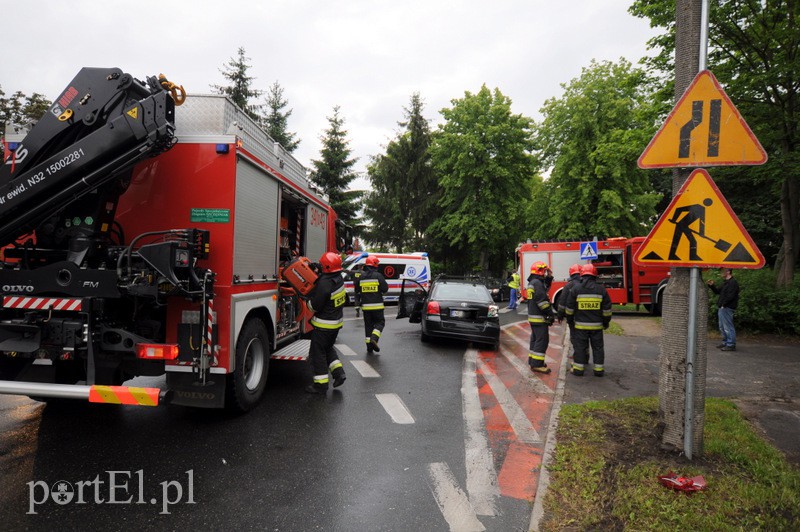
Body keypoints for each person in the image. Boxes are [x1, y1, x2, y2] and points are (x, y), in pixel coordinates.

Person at [305, 252, 347, 394]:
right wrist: (319, 269)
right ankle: (339, 373)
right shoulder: (338, 278)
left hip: (323, 325)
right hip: (335, 324)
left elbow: (315, 306)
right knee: (327, 348)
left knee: (317, 353)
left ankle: (321, 385)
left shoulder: (324, 283)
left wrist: (307, 300)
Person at [563, 263, 612, 377]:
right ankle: (599, 370)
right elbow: (607, 310)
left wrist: (571, 321)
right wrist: (605, 322)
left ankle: (578, 370)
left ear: (582, 275)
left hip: (580, 327)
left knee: (580, 348)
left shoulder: (576, 289)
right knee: (598, 348)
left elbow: (569, 308)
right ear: (595, 275)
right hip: (597, 327)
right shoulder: (601, 290)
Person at [526, 261, 556, 374]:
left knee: (535, 339)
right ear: (540, 271)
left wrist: (549, 277)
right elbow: (542, 301)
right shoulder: (537, 283)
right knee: (542, 340)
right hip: (539, 317)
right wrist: (550, 313)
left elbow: (545, 289)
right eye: (544, 271)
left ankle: (533, 362)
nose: (545, 273)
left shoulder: (533, 282)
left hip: (533, 317)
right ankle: (537, 365)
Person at [355, 255, 389, 355]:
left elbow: (357, 291)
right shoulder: (378, 275)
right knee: (380, 323)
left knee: (368, 326)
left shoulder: (361, 277)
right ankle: (374, 338)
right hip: (377, 306)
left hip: (366, 307)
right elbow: (385, 289)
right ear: (374, 265)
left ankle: (369, 347)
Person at [558, 263, 587, 360]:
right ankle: (585, 356)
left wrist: (560, 315)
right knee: (585, 337)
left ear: (571, 274)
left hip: (573, 317)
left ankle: (577, 355)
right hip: (586, 317)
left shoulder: (569, 286)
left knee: (575, 336)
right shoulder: (586, 285)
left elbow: (562, 302)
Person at [707, 267, 739, 351]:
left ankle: (731, 344)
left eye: (723, 271)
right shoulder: (726, 282)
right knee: (722, 326)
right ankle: (725, 342)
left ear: (728, 272)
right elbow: (718, 291)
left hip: (727, 307)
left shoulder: (733, 283)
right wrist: (712, 286)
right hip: (723, 307)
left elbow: (731, 296)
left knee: (728, 326)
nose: (721, 272)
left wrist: (724, 305)